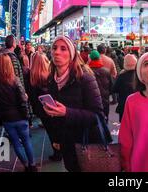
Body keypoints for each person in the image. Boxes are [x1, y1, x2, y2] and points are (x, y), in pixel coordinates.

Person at [43, 36, 106, 172]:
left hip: (86, 143)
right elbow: (57, 117)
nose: (57, 52)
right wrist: (56, 138)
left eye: (63, 49)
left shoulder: (85, 78)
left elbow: (97, 116)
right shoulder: (51, 80)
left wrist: (67, 112)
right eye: (54, 48)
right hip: (67, 144)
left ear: (71, 54)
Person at [0, 54, 37, 172]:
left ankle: (26, 165)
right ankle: (32, 165)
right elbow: (23, 99)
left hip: (7, 118)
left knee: (16, 144)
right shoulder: (15, 80)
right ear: (10, 65)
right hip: (21, 117)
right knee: (27, 141)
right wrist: (27, 116)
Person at [26, 52, 62, 161]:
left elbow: (31, 95)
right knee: (58, 129)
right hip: (56, 107)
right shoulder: (52, 75)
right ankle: (61, 151)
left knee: (51, 132)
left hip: (41, 110)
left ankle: (57, 153)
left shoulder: (30, 77)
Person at [88, 50, 113, 122]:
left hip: (91, 101)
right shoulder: (106, 71)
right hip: (104, 100)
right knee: (105, 120)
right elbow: (111, 86)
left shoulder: (87, 71)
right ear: (99, 58)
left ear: (91, 59)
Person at [112, 54, 138, 122]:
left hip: (124, 105)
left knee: (125, 125)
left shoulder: (122, 76)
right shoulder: (139, 75)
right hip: (137, 106)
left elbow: (115, 89)